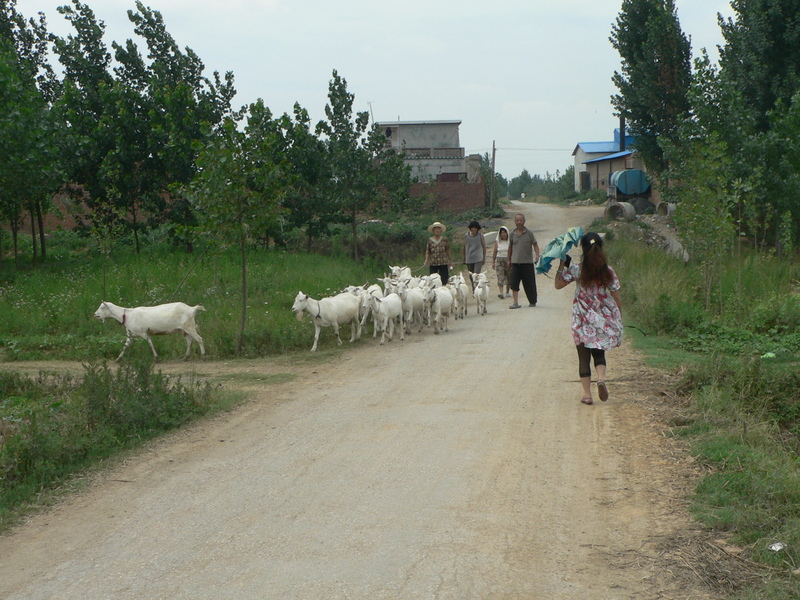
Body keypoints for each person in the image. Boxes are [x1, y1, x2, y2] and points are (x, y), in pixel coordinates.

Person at [554, 232, 623, 406]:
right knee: (599, 353)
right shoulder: (608, 270)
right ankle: (601, 378)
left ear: (583, 248)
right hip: (601, 318)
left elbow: (558, 284)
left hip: (581, 319)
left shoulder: (577, 270)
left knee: (583, 357)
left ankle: (587, 395)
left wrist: (562, 264)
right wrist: (617, 318)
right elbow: (616, 296)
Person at [506, 213, 540, 308]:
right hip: (515, 263)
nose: (519, 222)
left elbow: (535, 245)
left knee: (530, 283)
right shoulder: (512, 234)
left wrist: (537, 255)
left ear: (524, 221)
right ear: (515, 222)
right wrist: (509, 260)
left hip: (527, 263)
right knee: (514, 283)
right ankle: (515, 303)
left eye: (521, 220)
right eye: (517, 220)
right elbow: (510, 247)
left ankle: (532, 301)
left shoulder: (529, 233)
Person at [492, 226, 511, 299]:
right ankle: (501, 292)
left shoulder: (509, 242)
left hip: (508, 260)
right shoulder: (498, 243)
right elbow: (494, 252)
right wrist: (493, 262)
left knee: (509, 276)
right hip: (499, 260)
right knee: (500, 276)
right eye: (501, 233)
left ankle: (507, 292)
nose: (503, 234)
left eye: (504, 232)